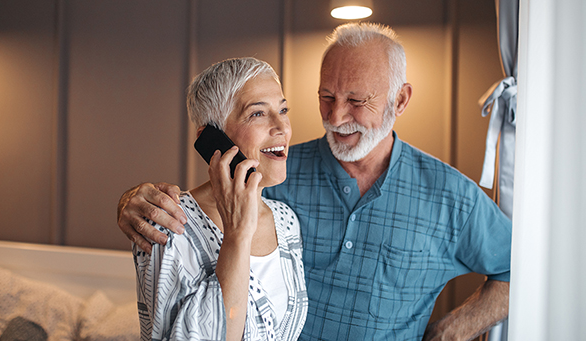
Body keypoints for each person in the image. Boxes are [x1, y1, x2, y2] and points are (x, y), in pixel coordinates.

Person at [119, 23, 511, 340]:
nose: (337, 117)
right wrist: (131, 201)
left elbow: (520, 268)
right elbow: (210, 212)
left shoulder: (450, 196)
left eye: (357, 101)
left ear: (400, 101)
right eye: (326, 96)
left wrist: (453, 330)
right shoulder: (272, 176)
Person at [131, 57, 307, 341]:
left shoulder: (285, 221)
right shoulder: (168, 223)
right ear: (212, 138)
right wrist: (237, 235)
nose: (282, 128)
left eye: (283, 110)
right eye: (258, 114)